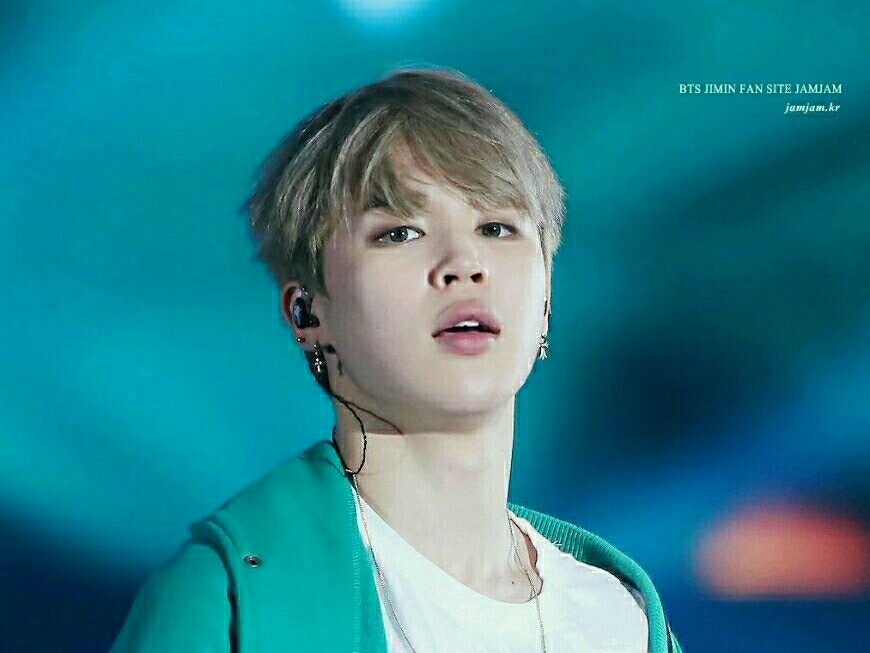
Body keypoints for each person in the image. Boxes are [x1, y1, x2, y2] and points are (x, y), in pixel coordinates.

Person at [110, 66, 682, 652]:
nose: (464, 264)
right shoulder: (228, 600)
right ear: (307, 312)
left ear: (546, 298)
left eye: (496, 227)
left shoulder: (620, 617)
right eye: (400, 233)